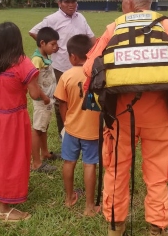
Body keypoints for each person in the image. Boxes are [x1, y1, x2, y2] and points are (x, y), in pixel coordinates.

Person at [84, 0, 168, 236]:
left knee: (116, 168)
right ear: (150, 2)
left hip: (120, 112)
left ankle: (116, 226)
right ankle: (157, 228)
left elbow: (88, 68)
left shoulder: (114, 27)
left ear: (127, 1)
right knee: (157, 172)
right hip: (159, 111)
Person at [0, 22, 49, 222]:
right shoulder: (23, 63)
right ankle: (3, 209)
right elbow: (34, 93)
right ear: (17, 40)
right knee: (11, 159)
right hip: (14, 118)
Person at [29, 0, 97, 139]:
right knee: (61, 101)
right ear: (59, 3)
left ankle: (83, 128)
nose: (71, 4)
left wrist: (97, 53)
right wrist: (52, 47)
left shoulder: (81, 18)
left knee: (82, 96)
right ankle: (64, 132)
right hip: (60, 67)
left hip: (81, 66)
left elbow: (91, 37)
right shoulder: (52, 19)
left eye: (73, 1)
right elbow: (34, 31)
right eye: (67, 2)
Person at [53, 34, 99, 216]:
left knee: (68, 162)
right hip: (93, 130)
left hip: (71, 128)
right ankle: (89, 206)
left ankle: (69, 198)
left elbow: (61, 103)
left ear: (72, 56)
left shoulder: (66, 76)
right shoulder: (96, 74)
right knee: (90, 165)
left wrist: (66, 123)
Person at [30, 26, 60, 173]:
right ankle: (36, 162)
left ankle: (46, 153)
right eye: (52, 44)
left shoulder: (45, 57)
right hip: (43, 101)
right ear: (42, 43)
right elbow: (33, 82)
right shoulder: (37, 60)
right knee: (37, 129)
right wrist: (44, 97)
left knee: (44, 127)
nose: (56, 47)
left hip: (47, 100)